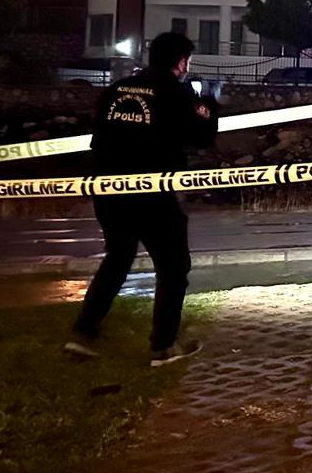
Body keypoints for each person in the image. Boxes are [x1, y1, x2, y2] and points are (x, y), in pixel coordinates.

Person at [68, 32, 216, 366]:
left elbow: (98, 140)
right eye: (187, 61)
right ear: (181, 62)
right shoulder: (175, 93)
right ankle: (163, 347)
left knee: (117, 259)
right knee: (173, 268)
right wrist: (208, 102)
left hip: (110, 191)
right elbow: (203, 137)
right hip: (153, 195)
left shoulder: (116, 90)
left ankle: (83, 333)